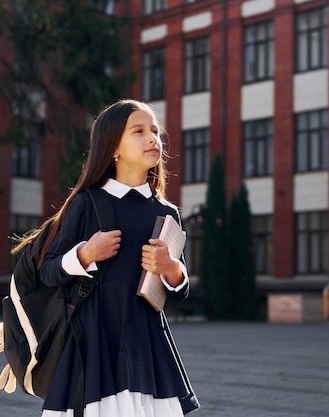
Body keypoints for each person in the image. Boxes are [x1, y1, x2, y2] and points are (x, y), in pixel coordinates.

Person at [19, 99, 199, 417]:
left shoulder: (166, 212)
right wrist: (85, 254)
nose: (153, 138)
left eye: (155, 131)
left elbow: (180, 291)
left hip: (146, 341)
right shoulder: (86, 204)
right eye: (139, 131)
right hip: (93, 342)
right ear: (113, 147)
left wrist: (171, 268)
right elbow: (47, 272)